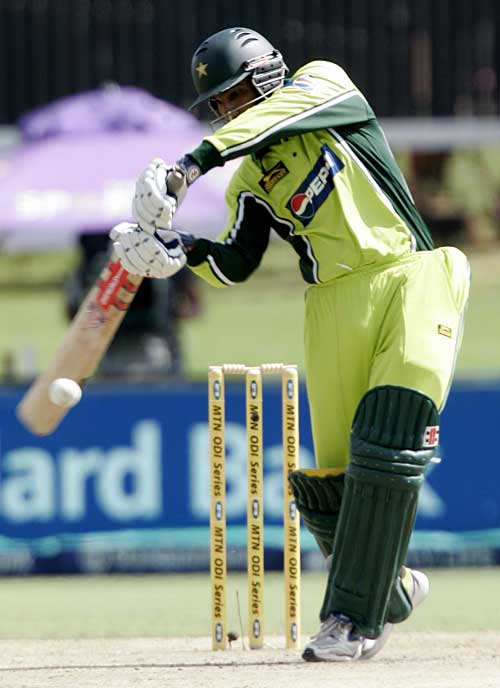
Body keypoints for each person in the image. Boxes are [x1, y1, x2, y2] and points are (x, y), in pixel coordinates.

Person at [110, 27, 470, 661]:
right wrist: (178, 252)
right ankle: (390, 589)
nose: (229, 110)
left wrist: (187, 167)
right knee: (336, 482)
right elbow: (237, 262)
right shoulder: (252, 178)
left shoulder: (324, 86)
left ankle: (350, 620)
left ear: (266, 76)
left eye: (235, 95)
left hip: (412, 275)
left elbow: (271, 119)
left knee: (389, 435)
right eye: (219, 104)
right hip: (331, 306)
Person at [65, 231, 201, 381]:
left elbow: (193, 305)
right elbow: (75, 311)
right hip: (112, 347)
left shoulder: (166, 248)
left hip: (153, 344)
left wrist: (167, 312)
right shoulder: (94, 248)